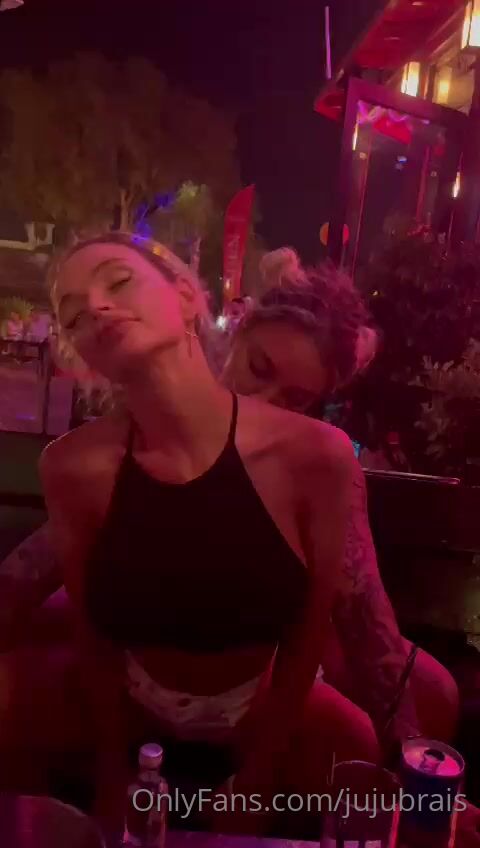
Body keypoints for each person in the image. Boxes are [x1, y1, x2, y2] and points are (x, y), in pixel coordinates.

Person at [0, 233, 377, 836]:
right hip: (137, 687)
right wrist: (110, 772)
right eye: (72, 312)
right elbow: (90, 631)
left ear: (183, 297)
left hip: (256, 693)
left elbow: (313, 630)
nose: (95, 305)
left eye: (118, 281)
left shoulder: (317, 456)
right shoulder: (74, 467)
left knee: (362, 758)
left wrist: (260, 776)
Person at [223, 248, 459, 746]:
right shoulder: (175, 406)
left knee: (438, 695)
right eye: (258, 367)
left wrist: (411, 756)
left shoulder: (318, 458)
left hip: (277, 641)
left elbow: (364, 612)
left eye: (294, 399)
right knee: (356, 736)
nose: (260, 404)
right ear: (241, 330)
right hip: (197, 659)